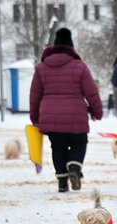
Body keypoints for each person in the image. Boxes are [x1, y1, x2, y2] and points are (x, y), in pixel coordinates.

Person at [29, 27, 103, 193]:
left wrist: (35, 117)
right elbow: (91, 91)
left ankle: (62, 182)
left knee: (58, 146)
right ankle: (75, 168)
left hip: (50, 115)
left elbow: (34, 94)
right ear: (71, 46)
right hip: (76, 115)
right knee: (79, 142)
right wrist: (97, 112)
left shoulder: (42, 67)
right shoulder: (79, 66)